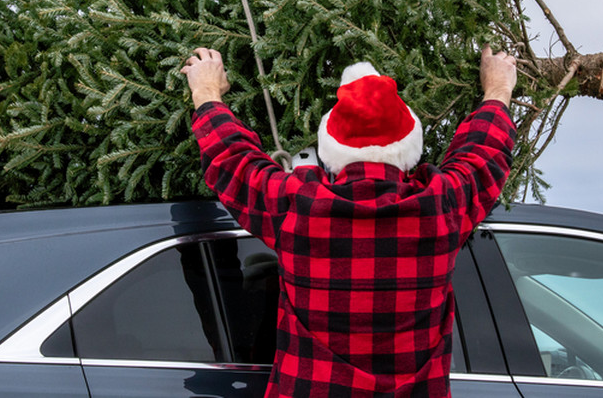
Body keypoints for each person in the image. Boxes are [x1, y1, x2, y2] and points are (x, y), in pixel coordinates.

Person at [182, 46, 517, 398]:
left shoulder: (300, 206)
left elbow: (234, 160)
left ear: (331, 148)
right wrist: (498, 88)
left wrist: (206, 92)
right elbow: (483, 154)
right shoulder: (440, 206)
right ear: (408, 148)